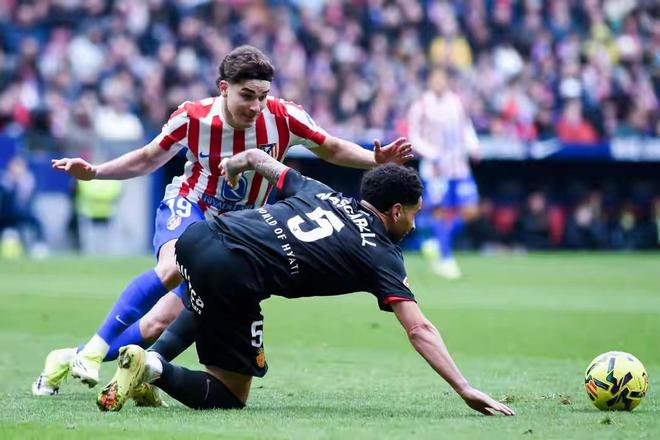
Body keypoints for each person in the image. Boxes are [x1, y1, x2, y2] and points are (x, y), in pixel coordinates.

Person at [32, 45, 412, 396]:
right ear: (224, 88)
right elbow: (148, 158)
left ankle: (67, 357)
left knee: (158, 323)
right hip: (190, 205)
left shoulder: (283, 117)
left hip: (231, 235)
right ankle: (94, 352)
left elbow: (330, 147)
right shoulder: (193, 117)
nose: (256, 106)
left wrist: (374, 160)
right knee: (171, 267)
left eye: (262, 96)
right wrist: (95, 172)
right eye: (247, 96)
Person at [96, 148, 515, 417]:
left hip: (200, 236)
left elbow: (260, 159)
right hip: (234, 269)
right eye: (413, 213)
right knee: (231, 394)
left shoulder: (321, 191)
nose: (414, 223)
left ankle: (141, 363)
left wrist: (236, 164)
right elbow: (419, 328)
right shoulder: (382, 254)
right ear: (394, 211)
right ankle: (152, 367)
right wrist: (463, 387)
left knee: (207, 303)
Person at [407, 68, 480, 279]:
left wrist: (473, 145)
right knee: (441, 211)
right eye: (435, 79)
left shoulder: (455, 102)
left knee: (470, 210)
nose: (439, 83)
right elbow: (414, 136)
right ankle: (445, 258)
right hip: (436, 170)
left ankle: (431, 238)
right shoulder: (421, 105)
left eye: (442, 79)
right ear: (430, 81)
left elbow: (465, 126)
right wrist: (432, 155)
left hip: (459, 166)